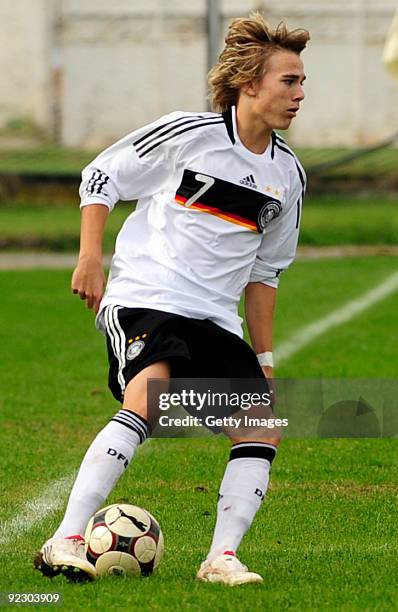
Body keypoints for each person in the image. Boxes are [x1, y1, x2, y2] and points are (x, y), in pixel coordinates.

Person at [34, 12, 309, 586]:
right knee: (150, 392)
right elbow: (101, 177)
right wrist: (90, 256)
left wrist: (264, 361)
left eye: (302, 82)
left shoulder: (288, 176)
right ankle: (67, 537)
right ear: (249, 83)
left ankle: (221, 558)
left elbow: (266, 274)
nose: (300, 93)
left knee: (263, 425)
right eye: (289, 81)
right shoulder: (188, 134)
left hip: (213, 315)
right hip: (147, 294)